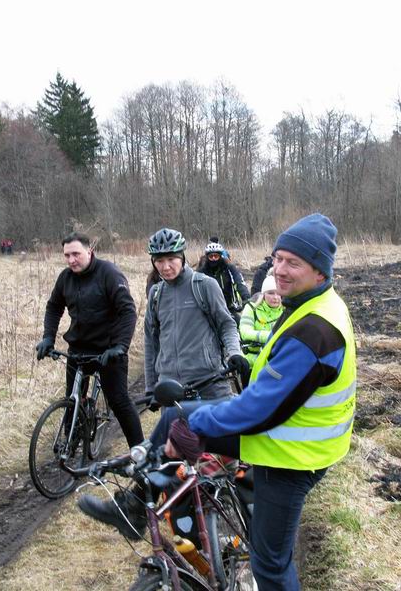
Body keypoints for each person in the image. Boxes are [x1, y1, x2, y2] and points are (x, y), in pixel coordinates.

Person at [169, 213, 357, 591]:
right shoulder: (310, 303)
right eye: (278, 258)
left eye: (294, 262)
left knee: (270, 564)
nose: (280, 270)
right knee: (172, 419)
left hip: (289, 455)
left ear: (320, 272)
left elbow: (259, 411)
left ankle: (193, 505)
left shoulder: (315, 329)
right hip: (288, 438)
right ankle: (144, 506)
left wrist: (200, 425)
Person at [77, 227, 251, 537]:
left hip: (210, 383)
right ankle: (188, 531)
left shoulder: (204, 286)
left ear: (182, 257)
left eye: (171, 259)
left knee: (213, 463)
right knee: (174, 468)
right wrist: (152, 387)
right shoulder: (157, 294)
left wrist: (234, 353)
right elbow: (151, 341)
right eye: (159, 261)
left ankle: (136, 507)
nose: (165, 266)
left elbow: (226, 325)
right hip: (174, 390)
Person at [34, 232, 143, 447]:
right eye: (67, 255)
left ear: (89, 251)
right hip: (79, 348)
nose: (71, 260)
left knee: (119, 401)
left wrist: (120, 346)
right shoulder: (65, 278)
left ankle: (141, 452)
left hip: (108, 351)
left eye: (76, 254)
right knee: (72, 400)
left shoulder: (109, 274)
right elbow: (54, 307)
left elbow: (128, 311)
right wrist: (48, 337)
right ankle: (69, 447)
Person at [197, 236, 250, 323]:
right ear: (207, 257)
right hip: (208, 311)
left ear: (220, 256)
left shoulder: (229, 269)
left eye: (216, 256)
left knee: (241, 327)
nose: (213, 258)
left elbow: (239, 282)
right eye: (211, 256)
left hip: (228, 308)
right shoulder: (201, 272)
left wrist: (246, 298)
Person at [239, 275, 283, 366]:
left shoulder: (286, 311)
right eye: (271, 293)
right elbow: (245, 332)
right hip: (251, 361)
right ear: (263, 294)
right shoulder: (251, 308)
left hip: (277, 361)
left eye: (279, 293)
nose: (275, 297)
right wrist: (271, 336)